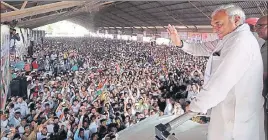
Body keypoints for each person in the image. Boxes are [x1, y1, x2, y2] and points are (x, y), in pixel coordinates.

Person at [167, 4, 265, 140]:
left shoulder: (241, 42)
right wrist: (180, 43)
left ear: (236, 19)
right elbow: (202, 48)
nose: (214, 28)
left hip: (236, 115)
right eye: (213, 24)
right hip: (228, 108)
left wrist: (197, 105)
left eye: (218, 23)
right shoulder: (229, 38)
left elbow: (222, 81)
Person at [256, 15, 268, 140]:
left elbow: (263, 74)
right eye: (256, 26)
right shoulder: (264, 44)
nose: (257, 29)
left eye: (260, 26)